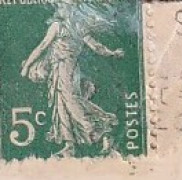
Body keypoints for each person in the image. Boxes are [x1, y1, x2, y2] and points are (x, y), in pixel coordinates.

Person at [20, 1, 124, 158]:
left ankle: (101, 130)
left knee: (70, 102)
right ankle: (70, 145)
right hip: (64, 70)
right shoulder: (76, 26)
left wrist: (26, 66)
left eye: (63, 6)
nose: (61, 8)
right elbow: (95, 46)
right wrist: (112, 53)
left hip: (65, 69)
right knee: (61, 104)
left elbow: (42, 47)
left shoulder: (61, 26)